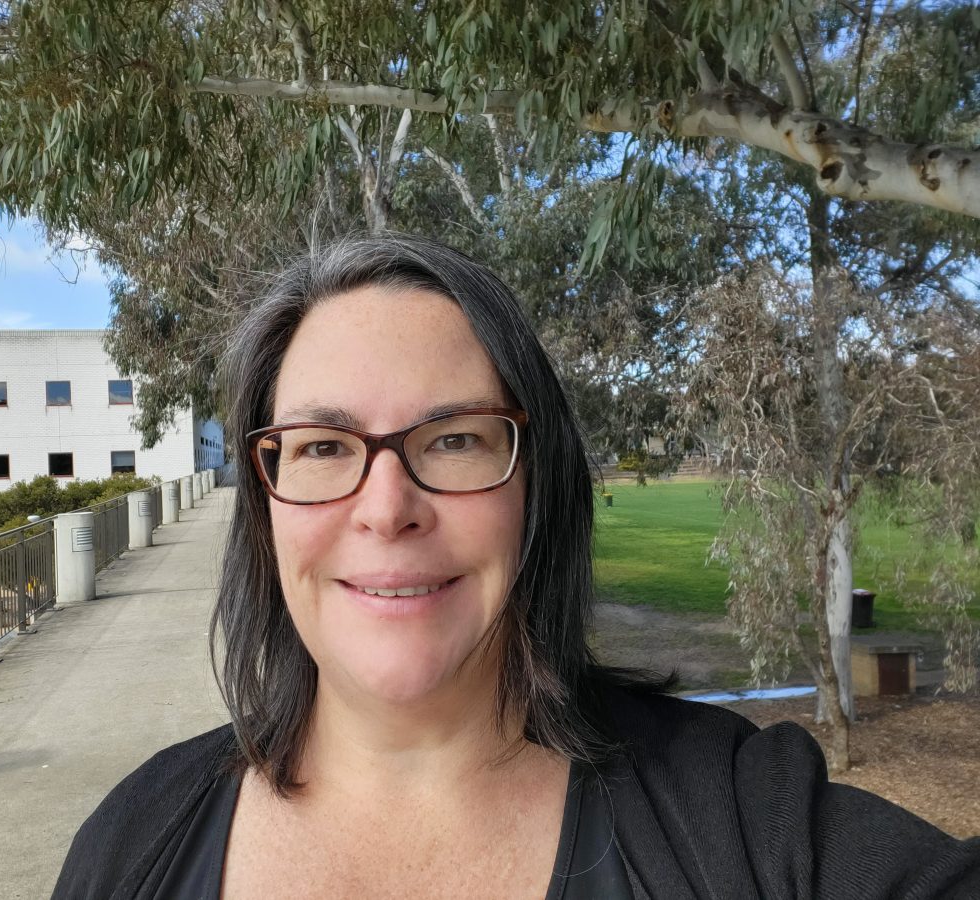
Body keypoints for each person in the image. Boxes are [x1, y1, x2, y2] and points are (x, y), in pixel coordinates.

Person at [52, 234, 980, 899]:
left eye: (455, 439)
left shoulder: (744, 823)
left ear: (539, 490)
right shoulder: (133, 843)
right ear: (262, 505)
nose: (386, 507)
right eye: (324, 447)